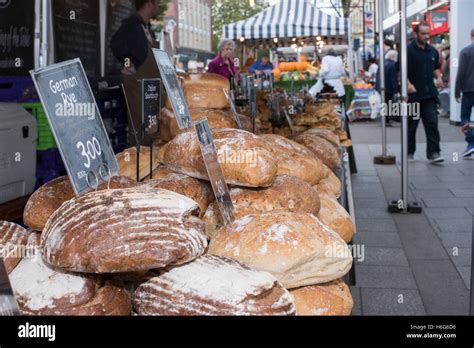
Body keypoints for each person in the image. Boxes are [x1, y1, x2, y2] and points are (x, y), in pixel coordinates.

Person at [111, 0, 161, 147]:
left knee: (153, 129)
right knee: (140, 129)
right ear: (149, 4)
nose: (158, 7)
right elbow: (115, 44)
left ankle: (151, 164)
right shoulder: (131, 25)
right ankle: (138, 164)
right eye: (156, 3)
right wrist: (129, 63)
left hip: (151, 88)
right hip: (138, 86)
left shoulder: (146, 27)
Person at [407, 22, 444, 164]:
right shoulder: (408, 51)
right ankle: (409, 152)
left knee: (432, 124)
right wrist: (408, 84)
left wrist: (439, 77)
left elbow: (436, 68)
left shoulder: (432, 51)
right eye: (423, 33)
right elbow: (401, 71)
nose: (427, 36)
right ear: (415, 34)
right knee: (411, 126)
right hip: (413, 96)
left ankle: (434, 153)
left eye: (428, 33)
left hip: (430, 95)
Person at [455, 29, 474, 158]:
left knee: (465, 116)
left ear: (471, 36)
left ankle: (471, 143)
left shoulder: (465, 51)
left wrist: (457, 90)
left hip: (468, 90)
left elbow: (461, 72)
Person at [376, 50, 399, 125]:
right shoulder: (392, 65)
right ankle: (386, 120)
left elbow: (377, 76)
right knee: (388, 104)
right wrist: (396, 89)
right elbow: (393, 78)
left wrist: (377, 87)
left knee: (384, 103)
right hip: (389, 88)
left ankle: (384, 119)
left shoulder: (382, 63)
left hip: (381, 87)